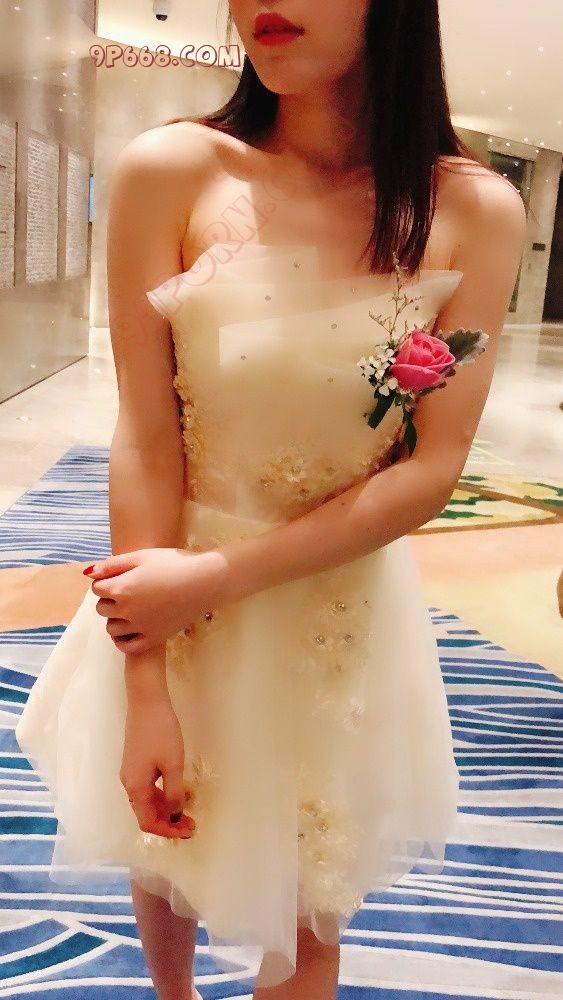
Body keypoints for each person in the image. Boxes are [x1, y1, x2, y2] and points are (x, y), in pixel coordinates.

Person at [15, 2, 527, 999]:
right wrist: (146, 676)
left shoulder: (471, 208)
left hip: (330, 599)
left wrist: (213, 577)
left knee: (305, 903)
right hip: (170, 585)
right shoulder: (172, 169)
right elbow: (147, 434)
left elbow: (430, 466)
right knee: (163, 836)